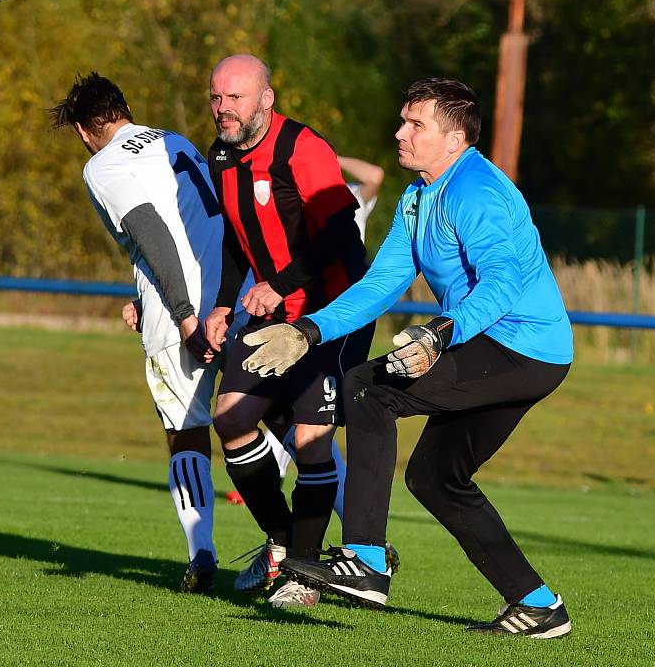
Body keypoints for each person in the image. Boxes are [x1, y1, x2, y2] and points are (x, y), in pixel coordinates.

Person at [242, 78, 574, 639]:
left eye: (415, 124)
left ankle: (367, 560)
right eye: (402, 121)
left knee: (368, 387)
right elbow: (379, 286)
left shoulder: (476, 191)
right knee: (435, 478)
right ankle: (539, 605)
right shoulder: (419, 198)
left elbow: (503, 280)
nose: (400, 133)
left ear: (454, 138)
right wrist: (307, 330)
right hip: (504, 347)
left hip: (521, 346)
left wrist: (443, 332)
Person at [204, 54, 375, 608]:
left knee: (310, 441)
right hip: (271, 311)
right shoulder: (222, 157)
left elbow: (342, 233)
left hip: (331, 313)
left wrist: (279, 284)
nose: (224, 109)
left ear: (266, 99)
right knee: (230, 417)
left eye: (236, 98)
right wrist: (223, 306)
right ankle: (284, 544)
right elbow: (235, 240)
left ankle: (306, 576)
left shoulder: (302, 148)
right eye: (217, 98)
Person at [51, 72, 225, 595]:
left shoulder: (102, 165)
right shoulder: (176, 140)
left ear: (84, 130)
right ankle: (360, 541)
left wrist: (180, 312)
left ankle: (202, 555)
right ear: (125, 108)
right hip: (235, 295)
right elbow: (189, 223)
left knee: (186, 431)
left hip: (185, 316)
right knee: (282, 414)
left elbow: (150, 230)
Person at [259, 154, 385, 516]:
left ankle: (351, 536)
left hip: (339, 311)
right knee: (281, 408)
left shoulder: (344, 195)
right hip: (295, 307)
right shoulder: (287, 197)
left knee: (313, 424)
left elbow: (376, 172)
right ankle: (290, 529)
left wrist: (329, 156)